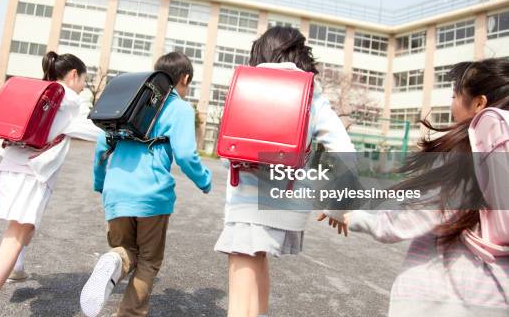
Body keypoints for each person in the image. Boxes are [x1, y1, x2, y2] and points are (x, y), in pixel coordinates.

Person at [333, 58, 509, 316]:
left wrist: (356, 218)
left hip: (448, 299)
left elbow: (407, 220)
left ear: (479, 104)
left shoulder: (466, 157)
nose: (451, 105)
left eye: (455, 96)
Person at [213, 26, 356, 317]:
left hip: (247, 203)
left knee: (240, 290)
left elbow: (228, 155)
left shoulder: (246, 84)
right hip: (289, 201)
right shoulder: (309, 90)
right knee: (259, 262)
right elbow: (345, 151)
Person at [0, 52, 102, 317]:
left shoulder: (34, 91)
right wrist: (118, 135)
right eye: (83, 80)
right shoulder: (69, 100)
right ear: (73, 75)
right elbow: (89, 129)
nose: (83, 86)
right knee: (13, 239)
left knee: (26, 225)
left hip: (10, 168)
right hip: (34, 174)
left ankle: (18, 268)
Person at [80, 51, 212, 317]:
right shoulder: (179, 108)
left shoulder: (129, 102)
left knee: (125, 250)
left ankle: (114, 259)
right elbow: (186, 154)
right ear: (184, 78)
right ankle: (128, 313)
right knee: (149, 261)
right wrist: (204, 181)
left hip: (116, 192)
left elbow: (100, 147)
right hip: (152, 195)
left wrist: (100, 183)